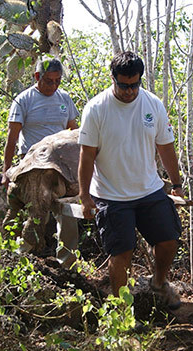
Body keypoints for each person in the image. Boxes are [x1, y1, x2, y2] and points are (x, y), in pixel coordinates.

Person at [77, 51, 184, 309]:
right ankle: (121, 311)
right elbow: (87, 155)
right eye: (123, 85)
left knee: (169, 240)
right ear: (113, 79)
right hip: (111, 194)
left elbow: (166, 148)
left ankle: (159, 283)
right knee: (122, 252)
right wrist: (84, 195)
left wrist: (177, 184)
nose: (129, 91)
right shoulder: (96, 109)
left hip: (148, 190)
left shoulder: (153, 104)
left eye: (134, 85)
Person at [2, 57, 81, 267]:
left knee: (68, 211)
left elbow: (74, 133)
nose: (53, 85)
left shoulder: (64, 98)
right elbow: (12, 137)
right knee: (33, 212)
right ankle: (16, 257)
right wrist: (6, 170)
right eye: (48, 81)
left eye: (57, 81)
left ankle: (67, 264)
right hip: (33, 165)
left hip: (62, 165)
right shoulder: (24, 100)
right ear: (37, 77)